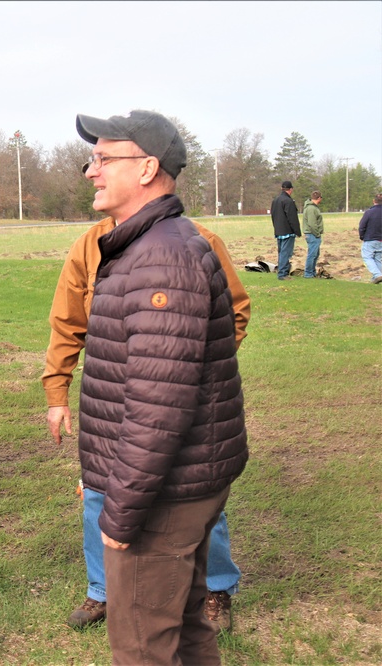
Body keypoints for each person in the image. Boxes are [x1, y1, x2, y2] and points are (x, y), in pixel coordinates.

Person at [69, 110, 248, 664]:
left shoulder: (162, 258)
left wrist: (120, 512)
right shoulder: (149, 245)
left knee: (143, 647)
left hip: (163, 495)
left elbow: (158, 406)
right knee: (188, 630)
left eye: (103, 158)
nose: (90, 171)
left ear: (147, 167)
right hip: (175, 483)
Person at [43, 200, 251, 631]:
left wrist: (192, 372)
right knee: (98, 491)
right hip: (109, 402)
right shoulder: (89, 245)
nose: (94, 177)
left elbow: (235, 313)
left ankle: (215, 587)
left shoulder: (197, 242)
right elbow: (67, 322)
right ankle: (103, 590)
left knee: (192, 488)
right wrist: (56, 392)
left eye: (106, 163)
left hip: (177, 402)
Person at [271, 180, 302, 280]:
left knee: (281, 252)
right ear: (291, 189)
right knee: (286, 252)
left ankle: (283, 271)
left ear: (282, 188)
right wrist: (297, 231)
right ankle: (283, 274)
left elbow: (273, 215)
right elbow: (292, 218)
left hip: (278, 231)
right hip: (287, 231)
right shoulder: (288, 201)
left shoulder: (275, 200)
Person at [358, 193, 382, 284]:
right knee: (378, 259)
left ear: (374, 201)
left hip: (370, 238)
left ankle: (377, 275)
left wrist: (362, 236)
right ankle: (375, 279)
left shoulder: (369, 212)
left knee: (367, 257)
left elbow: (362, 226)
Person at [302, 191, 324, 278]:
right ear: (319, 198)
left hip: (312, 234)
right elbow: (312, 224)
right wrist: (317, 234)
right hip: (312, 234)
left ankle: (312, 272)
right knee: (312, 254)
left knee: (315, 254)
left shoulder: (313, 207)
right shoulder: (311, 209)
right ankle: (308, 273)